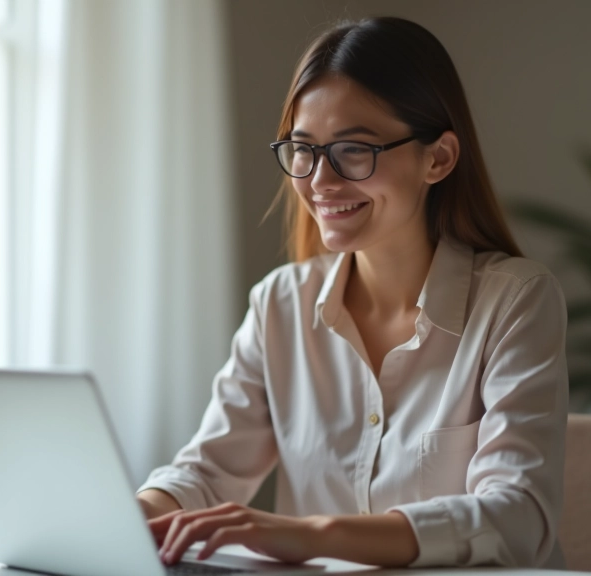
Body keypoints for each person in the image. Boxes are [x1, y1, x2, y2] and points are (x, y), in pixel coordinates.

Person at [135, 16, 568, 569]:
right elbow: (206, 472)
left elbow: (516, 517)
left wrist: (314, 535)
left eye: (354, 150)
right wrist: (130, 515)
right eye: (303, 149)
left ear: (438, 158)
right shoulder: (280, 306)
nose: (319, 181)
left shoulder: (515, 301)